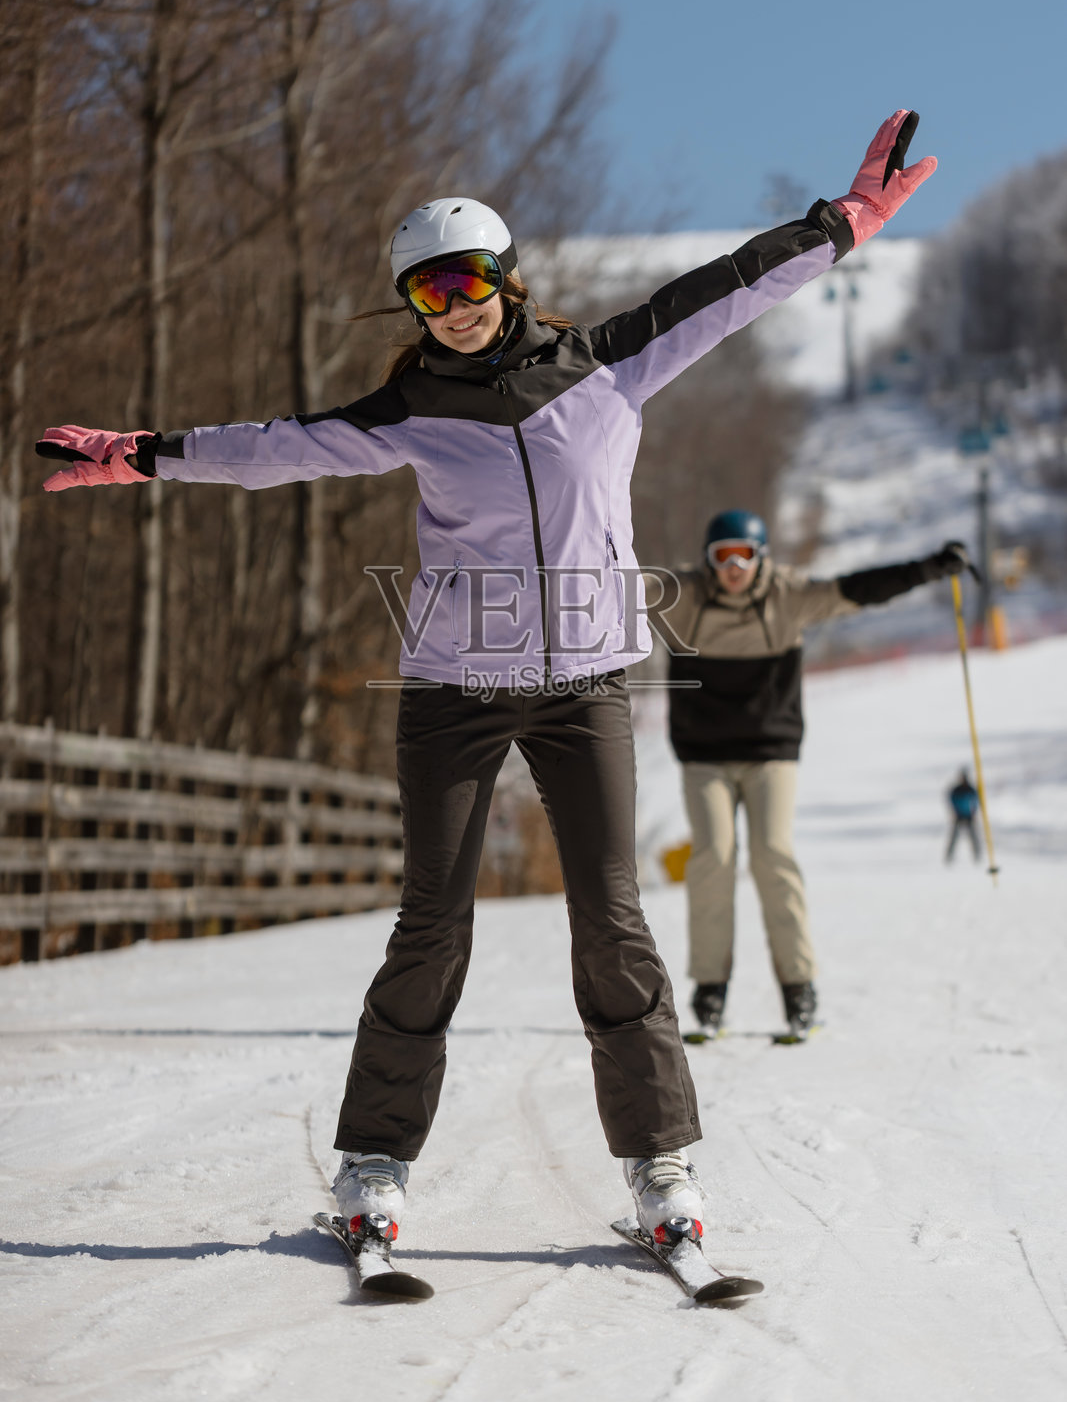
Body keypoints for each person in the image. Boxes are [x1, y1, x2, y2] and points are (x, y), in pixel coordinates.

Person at [36, 109, 936, 1250]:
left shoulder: (607, 364)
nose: (451, 306)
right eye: (426, 292)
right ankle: (373, 1160)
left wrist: (843, 220)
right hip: (453, 688)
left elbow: (731, 287)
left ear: (507, 277)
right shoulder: (413, 408)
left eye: (466, 281)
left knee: (611, 918)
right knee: (432, 923)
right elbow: (274, 448)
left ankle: (658, 1161)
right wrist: (143, 454)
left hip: (586, 685)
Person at [659, 509, 970, 1040]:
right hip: (704, 756)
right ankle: (710, 993)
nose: (734, 567)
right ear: (708, 561)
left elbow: (861, 589)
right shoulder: (683, 597)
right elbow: (614, 586)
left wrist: (931, 568)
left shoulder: (789, 596)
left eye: (744, 555)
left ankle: (798, 991)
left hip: (770, 753)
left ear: (761, 557)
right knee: (712, 858)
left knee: (772, 854)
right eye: (722, 556)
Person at [945, 769, 981, 862]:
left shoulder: (970, 789)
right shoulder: (956, 789)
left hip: (969, 815)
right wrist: (954, 811)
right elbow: (952, 800)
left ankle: (977, 854)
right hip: (959, 815)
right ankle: (949, 855)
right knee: (954, 837)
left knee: (973, 836)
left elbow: (976, 800)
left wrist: (974, 811)